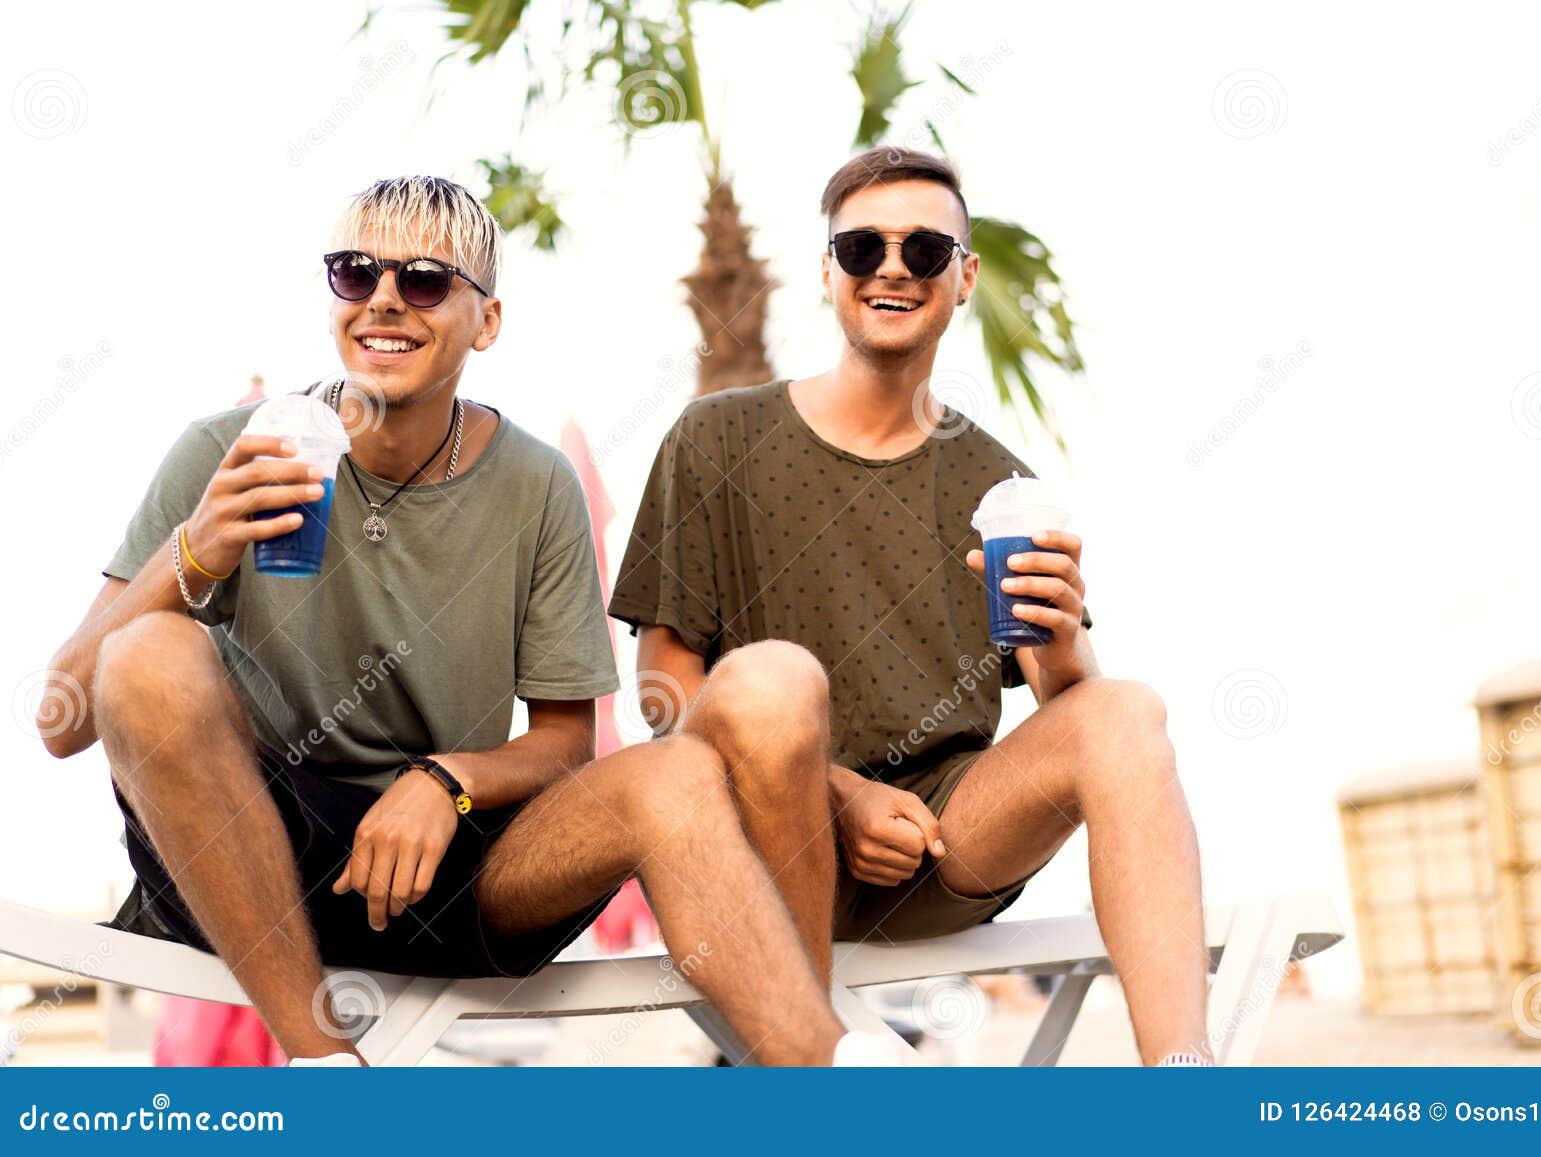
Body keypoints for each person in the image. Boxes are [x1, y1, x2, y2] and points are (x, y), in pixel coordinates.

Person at [39, 176, 884, 1067]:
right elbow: (64, 718)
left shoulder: (536, 484)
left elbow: (566, 741)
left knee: (672, 776)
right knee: (146, 651)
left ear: (485, 322)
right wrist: (196, 551)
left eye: (427, 279)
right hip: (249, 866)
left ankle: (830, 1081)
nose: (385, 301)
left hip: (452, 878)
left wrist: (448, 782)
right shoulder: (229, 450)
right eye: (355, 273)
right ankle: (327, 1069)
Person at [611, 147, 1213, 1066]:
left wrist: (1061, 641)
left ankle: (1186, 1085)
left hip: (944, 840)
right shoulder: (715, 437)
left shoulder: (998, 483)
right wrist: (837, 793)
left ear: (963, 277)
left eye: (926, 250)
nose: (892, 267)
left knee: (1127, 711)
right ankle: (808, 1075)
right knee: (774, 688)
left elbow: (1067, 708)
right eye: (862, 248)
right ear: (827, 272)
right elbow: (662, 691)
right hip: (759, 841)